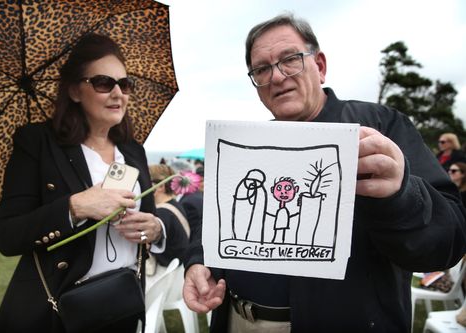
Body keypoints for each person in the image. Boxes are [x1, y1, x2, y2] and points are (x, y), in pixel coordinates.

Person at [182, 14, 466, 333]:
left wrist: (401, 194)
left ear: (320, 65)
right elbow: (216, 216)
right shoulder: (248, 147)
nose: (276, 77)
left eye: (290, 60)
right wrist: (200, 260)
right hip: (238, 320)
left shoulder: (381, 127)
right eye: (261, 69)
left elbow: (448, 242)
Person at [0, 34, 166, 333]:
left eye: (124, 84)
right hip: (57, 312)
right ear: (74, 90)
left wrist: (156, 230)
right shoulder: (38, 143)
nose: (118, 93)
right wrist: (76, 206)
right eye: (103, 83)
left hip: (122, 304)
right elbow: (6, 235)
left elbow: (149, 220)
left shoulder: (134, 150)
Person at [146, 164, 189, 285]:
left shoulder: (161, 213)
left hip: (164, 278)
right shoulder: (176, 204)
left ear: (159, 186)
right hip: (178, 274)